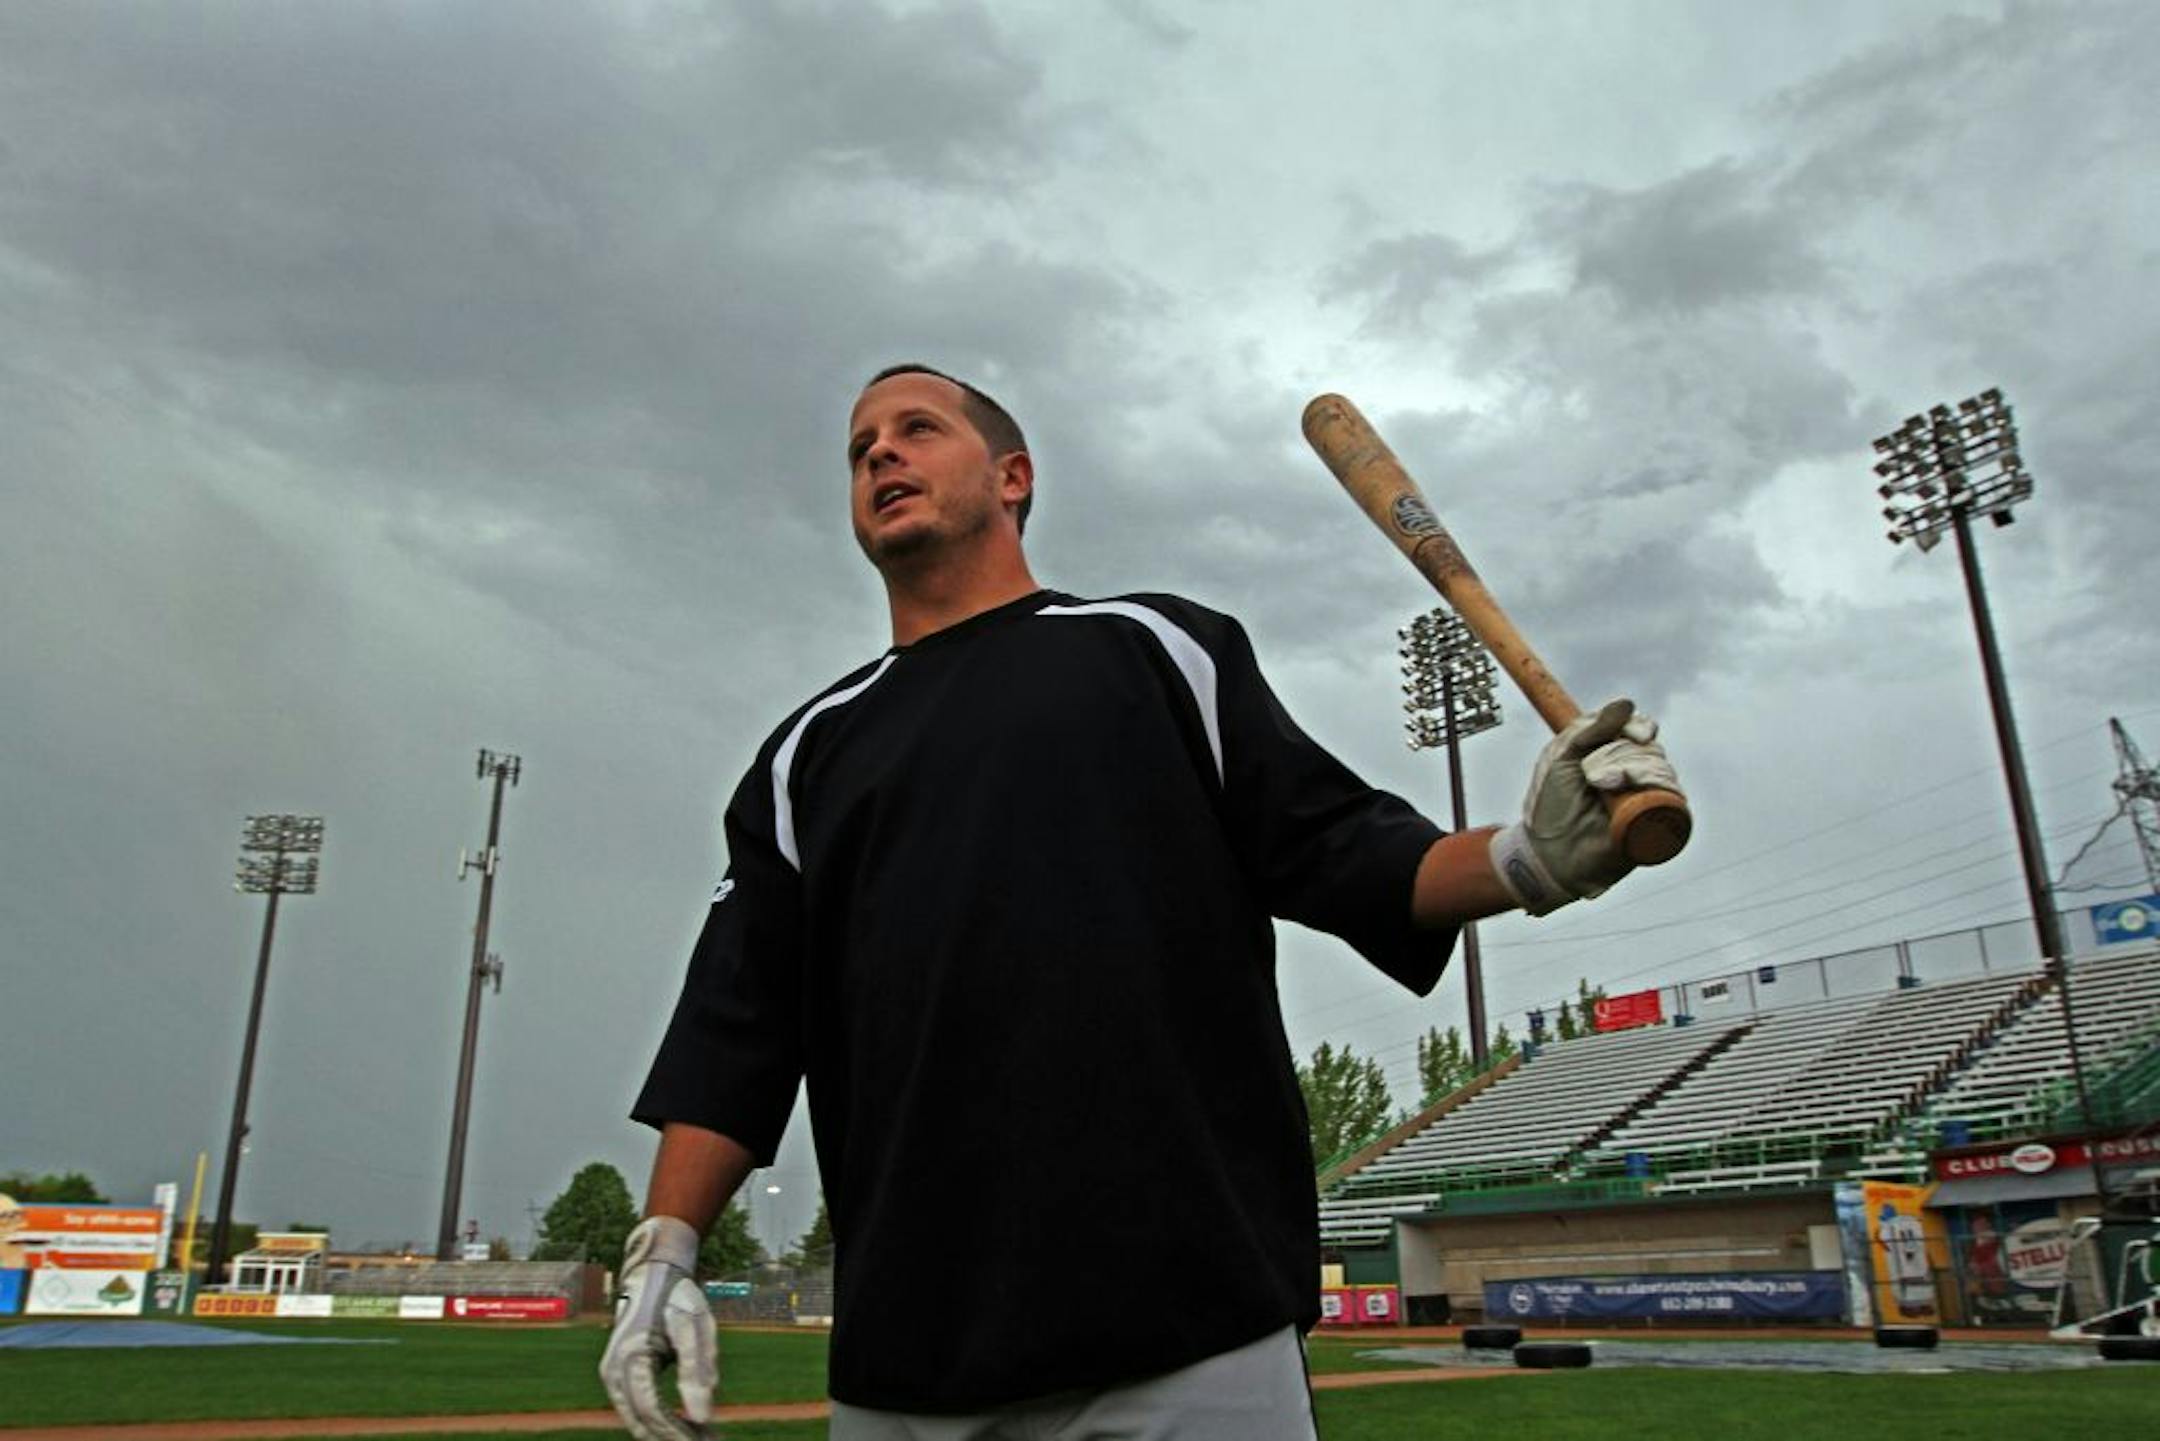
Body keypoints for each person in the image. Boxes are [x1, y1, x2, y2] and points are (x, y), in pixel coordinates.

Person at [601, 365, 1681, 1439]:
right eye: (861, 445)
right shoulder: (806, 754)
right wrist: (665, 1248)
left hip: (1193, 1329)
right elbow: (737, 1023)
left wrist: (1533, 858)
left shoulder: (1156, 649)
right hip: (911, 1364)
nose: (880, 452)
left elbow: (1347, 852)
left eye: (916, 428)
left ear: (1012, 475)